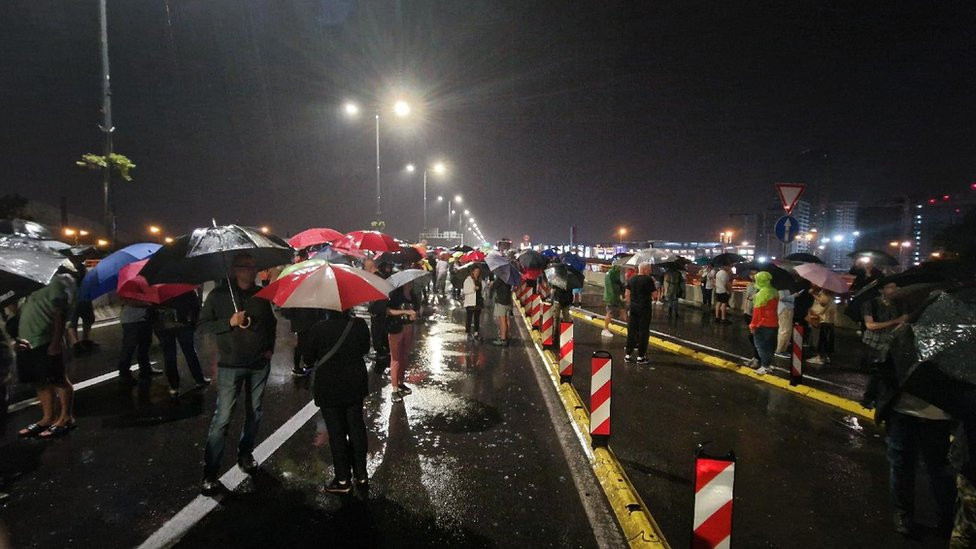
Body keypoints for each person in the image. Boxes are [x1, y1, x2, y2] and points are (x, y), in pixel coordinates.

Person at [198, 253, 277, 495]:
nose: (251, 271)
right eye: (245, 267)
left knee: (255, 413)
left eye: (254, 267)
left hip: (258, 364)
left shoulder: (261, 294)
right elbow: (202, 326)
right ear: (234, 269)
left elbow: (271, 324)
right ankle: (210, 472)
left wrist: (269, 349)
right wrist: (229, 323)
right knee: (223, 418)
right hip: (230, 365)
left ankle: (245, 455)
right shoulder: (218, 295)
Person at [300, 308, 372, 495]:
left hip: (329, 386)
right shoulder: (359, 325)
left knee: (337, 433)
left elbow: (308, 358)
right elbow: (365, 349)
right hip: (355, 383)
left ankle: (343, 479)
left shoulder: (318, 329)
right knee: (356, 428)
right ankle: (361, 474)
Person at [14, 273, 77, 439]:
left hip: (46, 340)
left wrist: (56, 342)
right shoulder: (28, 287)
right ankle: (47, 418)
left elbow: (60, 313)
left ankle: (66, 418)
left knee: (58, 380)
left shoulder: (55, 282)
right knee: (40, 382)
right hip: (28, 342)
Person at [154, 289, 209, 396]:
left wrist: (157, 328)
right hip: (184, 325)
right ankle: (199, 380)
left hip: (164, 326)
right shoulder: (185, 288)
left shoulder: (158, 289)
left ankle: (174, 386)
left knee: (169, 355)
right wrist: (193, 323)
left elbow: (153, 310)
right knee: (190, 352)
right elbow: (195, 306)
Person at [386, 282, 418, 403]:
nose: (410, 285)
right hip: (396, 328)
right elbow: (388, 311)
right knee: (395, 359)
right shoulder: (395, 296)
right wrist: (405, 312)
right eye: (408, 283)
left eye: (411, 283)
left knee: (404, 357)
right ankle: (394, 389)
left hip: (409, 328)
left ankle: (400, 382)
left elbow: (416, 311)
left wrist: (414, 315)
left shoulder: (413, 296)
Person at [116, 302, 157, 384]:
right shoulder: (126, 292)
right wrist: (147, 304)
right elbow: (127, 301)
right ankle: (124, 373)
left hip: (146, 318)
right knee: (129, 347)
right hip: (130, 320)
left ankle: (145, 368)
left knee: (145, 345)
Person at [748, 271, 779, 376]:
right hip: (774, 323)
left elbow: (757, 313)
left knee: (761, 346)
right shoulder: (774, 291)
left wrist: (753, 325)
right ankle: (768, 365)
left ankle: (764, 366)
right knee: (770, 346)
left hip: (763, 324)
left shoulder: (761, 294)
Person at [624, 263, 655, 365]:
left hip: (633, 308)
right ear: (645, 269)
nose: (650, 271)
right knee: (643, 332)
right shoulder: (648, 280)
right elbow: (655, 295)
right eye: (649, 269)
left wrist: (630, 306)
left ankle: (628, 354)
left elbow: (627, 294)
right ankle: (641, 356)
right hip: (644, 309)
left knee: (631, 331)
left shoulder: (632, 279)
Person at [363, 259, 389, 363]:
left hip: (378, 311)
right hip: (379, 310)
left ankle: (381, 353)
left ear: (370, 267)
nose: (364, 269)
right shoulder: (379, 276)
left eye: (365, 267)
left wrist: (372, 309)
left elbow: (378, 296)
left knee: (377, 332)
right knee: (380, 331)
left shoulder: (376, 278)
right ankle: (382, 351)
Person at [806, 289, 837, 366]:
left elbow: (823, 302)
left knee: (820, 340)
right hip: (829, 320)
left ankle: (819, 358)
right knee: (826, 340)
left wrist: (813, 294)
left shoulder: (825, 291)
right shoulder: (832, 293)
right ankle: (825, 357)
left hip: (823, 320)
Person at [740, 269, 762, 368]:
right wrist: (745, 311)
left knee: (755, 337)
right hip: (748, 313)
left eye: (755, 273)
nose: (752, 275)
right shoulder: (749, 285)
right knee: (752, 337)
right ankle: (756, 357)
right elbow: (747, 298)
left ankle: (758, 359)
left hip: (756, 314)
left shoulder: (762, 288)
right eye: (751, 273)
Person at [603, 264, 626, 337]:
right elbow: (615, 286)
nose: (620, 268)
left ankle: (606, 328)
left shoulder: (611, 273)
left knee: (618, 311)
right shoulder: (613, 274)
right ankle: (605, 329)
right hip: (612, 297)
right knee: (610, 312)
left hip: (611, 296)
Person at [462, 266, 485, 341]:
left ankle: (476, 332)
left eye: (478, 272)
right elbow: (465, 291)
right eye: (475, 271)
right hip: (470, 302)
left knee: (477, 318)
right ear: (472, 272)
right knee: (469, 318)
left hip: (478, 302)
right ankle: (468, 332)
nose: (477, 273)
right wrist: (473, 289)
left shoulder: (481, 281)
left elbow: (483, 290)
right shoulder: (468, 280)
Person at [490, 275, 512, 346]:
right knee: (507, 319)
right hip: (508, 300)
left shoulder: (501, 277)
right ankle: (506, 336)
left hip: (501, 301)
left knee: (502, 320)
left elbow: (494, 286)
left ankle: (503, 339)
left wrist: (492, 284)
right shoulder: (509, 277)